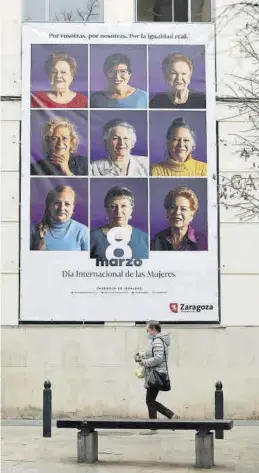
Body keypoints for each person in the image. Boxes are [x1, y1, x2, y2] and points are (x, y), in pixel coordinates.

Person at [135, 321, 176, 431]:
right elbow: (154, 354)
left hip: (155, 373)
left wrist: (144, 362)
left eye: (148, 330)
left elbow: (158, 358)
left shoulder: (157, 341)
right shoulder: (157, 341)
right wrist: (142, 355)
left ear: (153, 329)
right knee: (150, 400)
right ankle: (169, 417)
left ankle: (164, 420)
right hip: (156, 372)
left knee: (150, 400)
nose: (147, 332)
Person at [90, 186, 148, 260]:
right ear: (107, 210)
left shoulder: (144, 239)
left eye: (123, 206)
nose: (118, 211)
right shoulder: (92, 237)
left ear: (131, 209)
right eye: (113, 206)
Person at [31, 185, 88, 251]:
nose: (62, 208)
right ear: (49, 206)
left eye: (67, 204)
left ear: (73, 208)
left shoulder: (83, 232)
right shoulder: (32, 231)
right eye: (57, 203)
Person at [151, 187, 207, 251]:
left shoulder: (202, 241)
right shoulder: (157, 240)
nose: (177, 212)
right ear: (167, 212)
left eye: (183, 209)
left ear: (192, 214)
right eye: (173, 208)